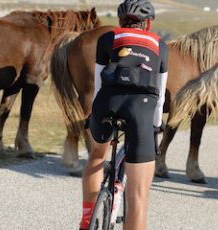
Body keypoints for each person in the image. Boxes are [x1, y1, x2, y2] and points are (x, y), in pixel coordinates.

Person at [79, 0, 168, 229]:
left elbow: (99, 85)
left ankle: (87, 221)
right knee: (138, 200)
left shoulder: (107, 39)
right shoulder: (160, 45)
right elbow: (160, 96)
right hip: (141, 109)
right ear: (147, 23)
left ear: (120, 21)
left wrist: (93, 114)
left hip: (107, 103)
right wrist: (155, 126)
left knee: (97, 157)